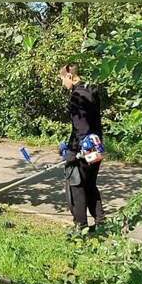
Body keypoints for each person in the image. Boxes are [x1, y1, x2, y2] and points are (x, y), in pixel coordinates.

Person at [59, 64, 105, 232]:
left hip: (84, 149)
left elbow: (81, 128)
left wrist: (74, 152)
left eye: (62, 79)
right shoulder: (91, 90)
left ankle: (81, 226)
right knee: (90, 185)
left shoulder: (77, 97)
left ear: (70, 76)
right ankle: (101, 223)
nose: (63, 83)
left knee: (76, 186)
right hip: (97, 145)